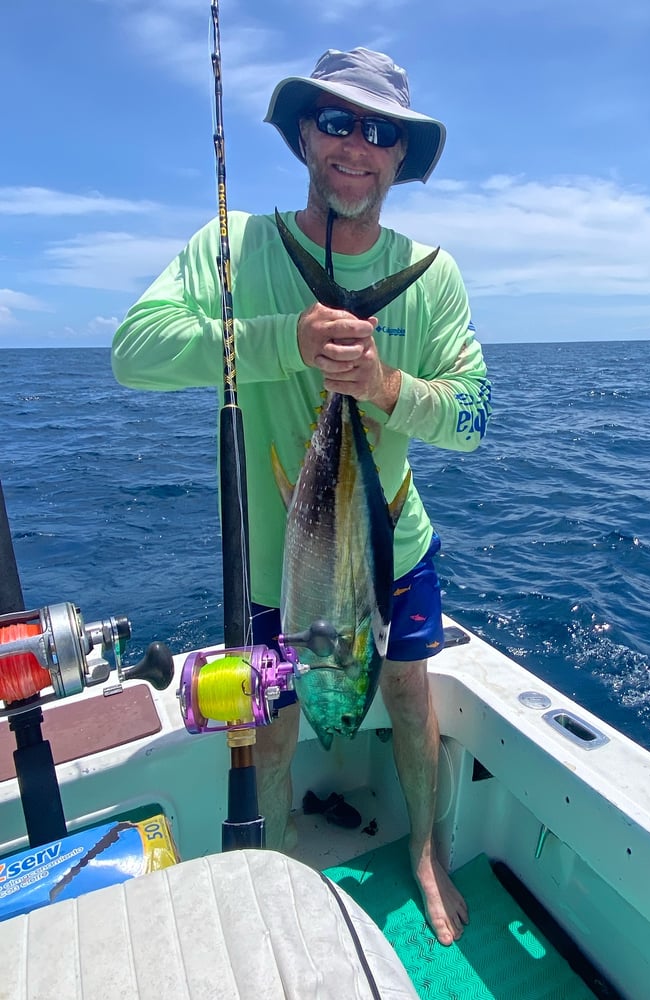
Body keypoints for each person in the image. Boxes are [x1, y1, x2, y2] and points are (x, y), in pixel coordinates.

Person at [112, 47, 491, 946]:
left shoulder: (432, 276)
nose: (357, 144)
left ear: (402, 155)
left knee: (409, 697)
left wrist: (387, 387)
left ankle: (429, 853)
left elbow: (474, 417)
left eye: (380, 131)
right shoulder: (232, 247)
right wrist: (285, 338)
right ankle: (280, 861)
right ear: (301, 136)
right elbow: (134, 351)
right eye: (336, 121)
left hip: (393, 541)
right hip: (279, 557)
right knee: (273, 732)